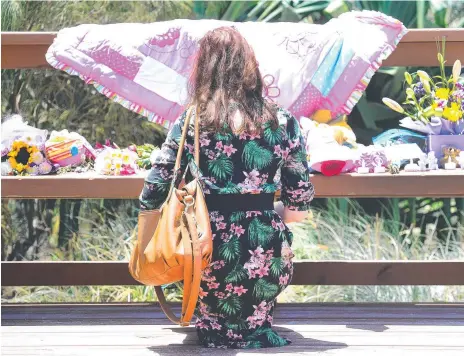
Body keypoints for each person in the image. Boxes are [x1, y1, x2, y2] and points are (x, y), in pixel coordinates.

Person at [139, 26, 314, 349]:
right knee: (275, 238)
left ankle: (214, 329)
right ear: (250, 67)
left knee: (206, 275)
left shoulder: (192, 120)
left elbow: (155, 185)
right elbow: (298, 210)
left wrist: (154, 219)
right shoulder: (283, 122)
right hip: (266, 256)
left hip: (205, 253)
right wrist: (260, 210)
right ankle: (257, 327)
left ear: (204, 71)